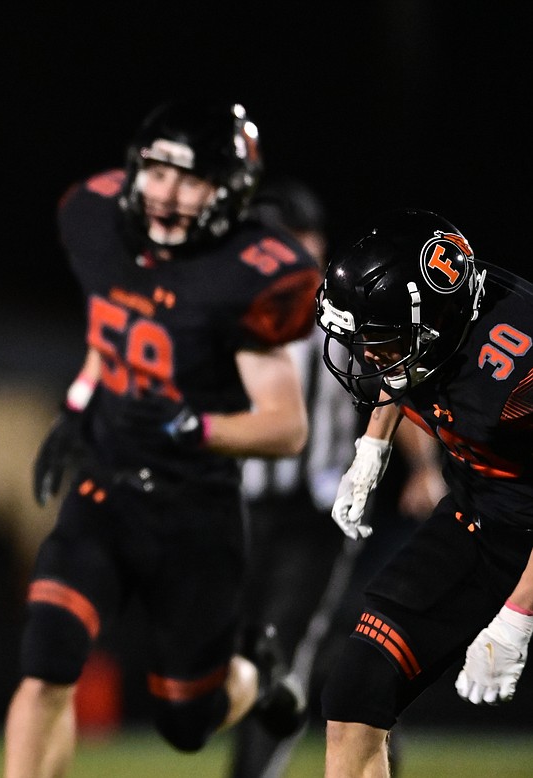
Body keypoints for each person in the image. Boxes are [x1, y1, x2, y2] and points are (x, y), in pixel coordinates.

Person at [3, 100, 322, 778]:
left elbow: (287, 426)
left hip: (194, 515)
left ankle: (254, 676)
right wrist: (77, 405)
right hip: (105, 491)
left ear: (229, 190)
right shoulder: (97, 222)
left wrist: (195, 426)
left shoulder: (248, 274)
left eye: (191, 180)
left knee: (187, 723)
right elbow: (112, 330)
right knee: (46, 663)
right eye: (156, 172)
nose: (167, 195)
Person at [227, 182, 446, 778]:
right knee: (287, 652)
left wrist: (423, 467)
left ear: (311, 243)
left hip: (320, 514)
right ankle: (377, 746)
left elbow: (390, 386)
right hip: (247, 514)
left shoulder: (337, 311)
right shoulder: (237, 309)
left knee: (284, 653)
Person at [315, 208, 533, 777]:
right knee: (356, 689)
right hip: (477, 517)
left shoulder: (520, 373)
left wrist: (517, 615)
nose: (366, 357)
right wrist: (372, 449)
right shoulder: (435, 319)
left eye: (379, 341)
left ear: (438, 325)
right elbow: (404, 371)